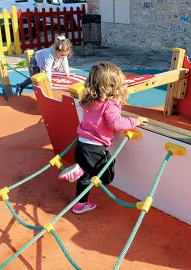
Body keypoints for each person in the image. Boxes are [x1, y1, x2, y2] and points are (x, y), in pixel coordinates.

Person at [58, 62, 148, 214]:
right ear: (112, 86)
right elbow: (116, 123)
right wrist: (135, 122)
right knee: (106, 174)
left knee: (84, 177)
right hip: (95, 150)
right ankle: (80, 170)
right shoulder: (109, 105)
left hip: (81, 146)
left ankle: (80, 204)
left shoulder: (90, 101)